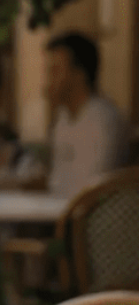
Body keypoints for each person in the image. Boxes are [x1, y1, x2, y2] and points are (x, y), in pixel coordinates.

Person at [46, 31, 128, 197]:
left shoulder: (102, 119)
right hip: (59, 214)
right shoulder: (64, 118)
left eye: (55, 71)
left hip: (89, 219)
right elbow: (57, 182)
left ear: (79, 75)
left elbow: (90, 191)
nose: (48, 81)